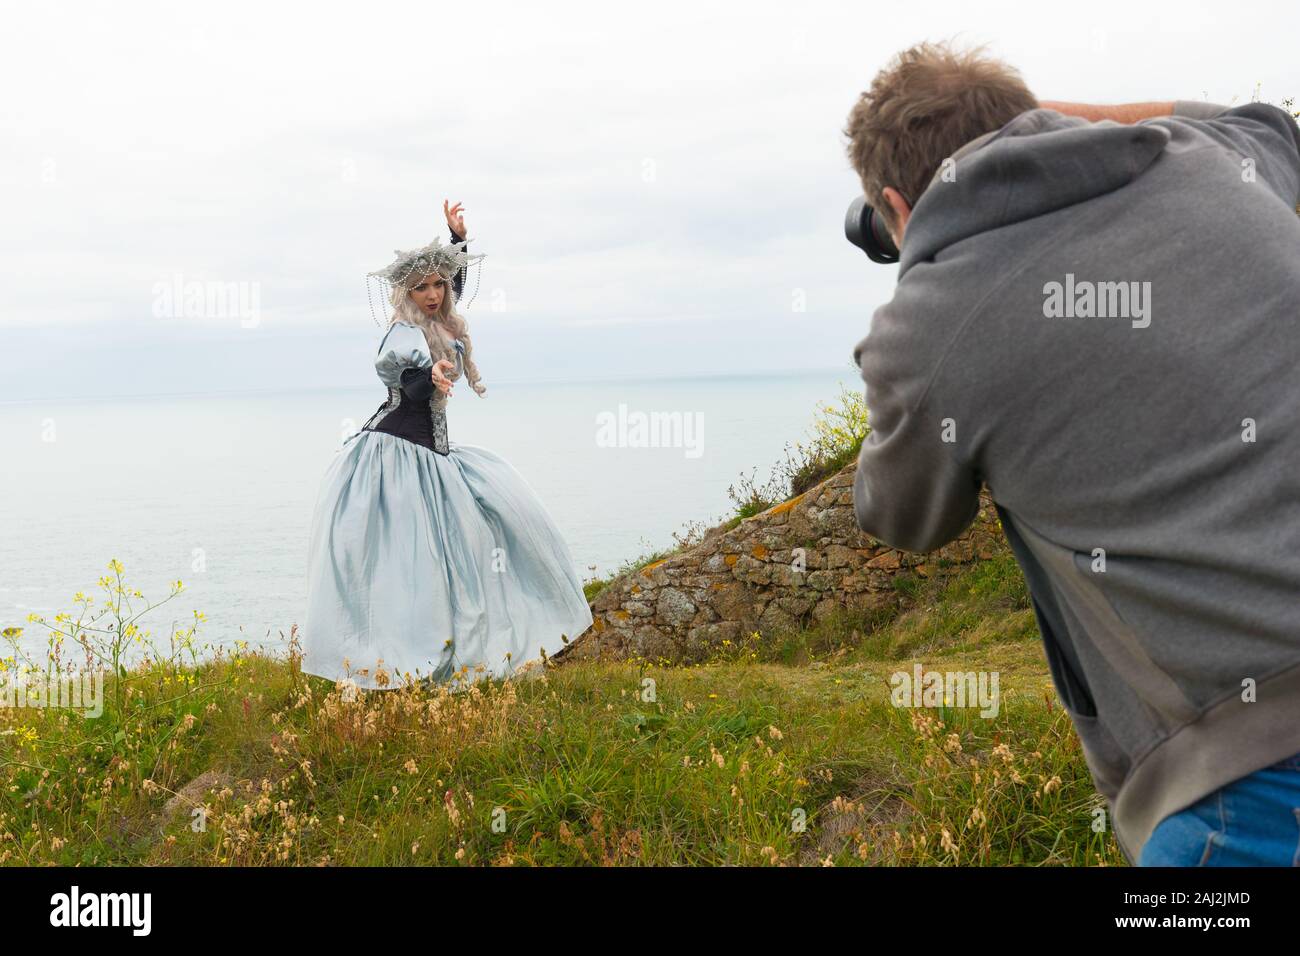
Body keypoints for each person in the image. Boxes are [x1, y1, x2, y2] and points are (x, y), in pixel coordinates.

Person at [842, 42, 1300, 865]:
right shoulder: (1218, 160)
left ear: (892, 205)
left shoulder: (929, 323)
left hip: (1255, 777)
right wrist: (1039, 130)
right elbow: (1267, 122)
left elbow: (900, 517)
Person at [302, 199, 593, 691]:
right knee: (404, 561)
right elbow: (410, 381)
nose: (433, 293)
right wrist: (430, 374)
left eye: (438, 284)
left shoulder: (439, 320)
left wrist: (456, 238)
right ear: (405, 292)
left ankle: (498, 635)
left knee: (495, 527)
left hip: (433, 454)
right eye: (421, 286)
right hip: (394, 454)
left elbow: (452, 284)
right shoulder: (403, 333)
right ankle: (388, 656)